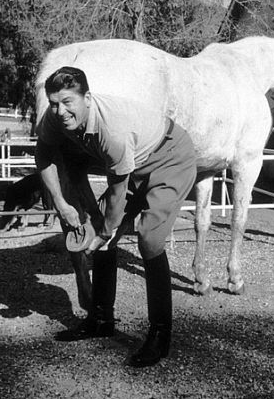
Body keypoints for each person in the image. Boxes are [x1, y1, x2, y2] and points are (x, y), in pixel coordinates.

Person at [35, 66, 196, 367]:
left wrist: (105, 230)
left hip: (169, 156)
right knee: (102, 233)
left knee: (148, 238)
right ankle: (100, 320)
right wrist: (61, 202)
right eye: (54, 103)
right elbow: (43, 154)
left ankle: (160, 336)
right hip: (134, 161)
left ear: (87, 98)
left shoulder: (112, 130)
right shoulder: (54, 119)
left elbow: (117, 190)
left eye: (67, 102)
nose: (60, 111)